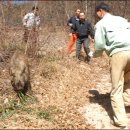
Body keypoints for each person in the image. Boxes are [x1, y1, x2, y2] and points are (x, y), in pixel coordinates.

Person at [93, 2, 130, 129]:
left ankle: (121, 121)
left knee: (116, 88)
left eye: (96, 13)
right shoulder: (122, 20)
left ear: (100, 11)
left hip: (118, 54)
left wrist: (95, 55)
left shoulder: (100, 24)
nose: (97, 15)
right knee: (128, 81)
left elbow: (99, 45)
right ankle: (128, 106)